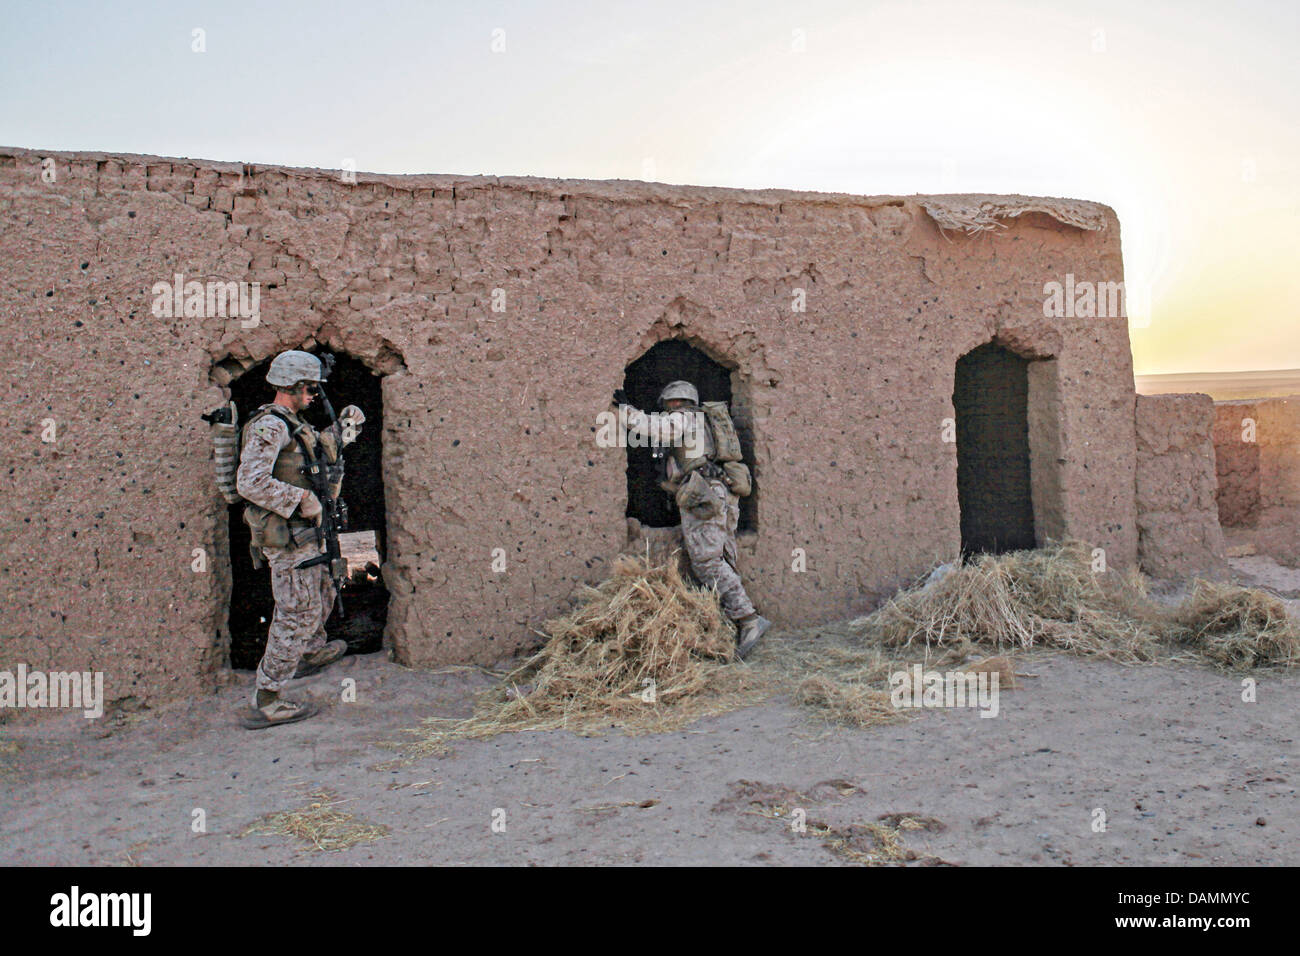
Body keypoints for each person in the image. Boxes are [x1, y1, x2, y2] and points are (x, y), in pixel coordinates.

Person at [235, 350, 365, 729]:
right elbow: (250, 481)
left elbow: (313, 457)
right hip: (288, 539)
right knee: (296, 613)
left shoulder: (294, 424)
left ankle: (307, 653)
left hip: (310, 534)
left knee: (324, 590)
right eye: (310, 388)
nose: (314, 395)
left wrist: (344, 428)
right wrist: (301, 500)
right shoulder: (270, 426)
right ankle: (267, 697)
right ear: (292, 386)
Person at [613, 380, 771, 659]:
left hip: (704, 496)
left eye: (670, 404)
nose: (669, 409)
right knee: (722, 557)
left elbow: (652, 428)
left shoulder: (684, 419)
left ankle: (748, 619)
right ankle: (728, 625)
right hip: (721, 495)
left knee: (707, 561)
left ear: (675, 403)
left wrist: (626, 410)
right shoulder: (702, 421)